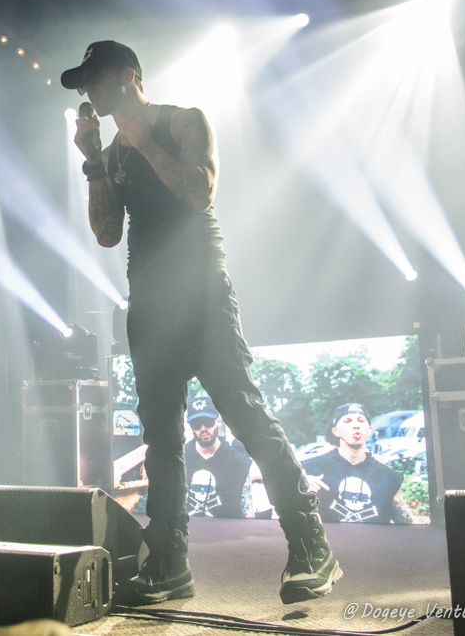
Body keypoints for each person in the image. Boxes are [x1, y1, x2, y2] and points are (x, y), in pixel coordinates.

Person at [62, 41, 340, 605]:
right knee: (160, 437)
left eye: (96, 76)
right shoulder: (113, 152)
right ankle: (168, 564)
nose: (88, 88)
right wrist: (93, 158)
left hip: (203, 292)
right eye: (83, 81)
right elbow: (107, 232)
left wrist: (141, 142)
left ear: (130, 76)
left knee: (245, 414)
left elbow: (197, 191)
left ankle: (313, 548)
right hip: (149, 302)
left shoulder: (183, 121)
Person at [303, 403, 416, 524]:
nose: (356, 425)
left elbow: (409, 525)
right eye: (347, 421)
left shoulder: (387, 476)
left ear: (369, 429)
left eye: (361, 421)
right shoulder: (310, 470)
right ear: (336, 431)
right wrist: (300, 488)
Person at [184, 396, 253, 518]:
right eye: (196, 424)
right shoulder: (180, 460)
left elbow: (247, 511)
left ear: (218, 421)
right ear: (191, 427)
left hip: (227, 534)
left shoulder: (238, 463)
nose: (203, 429)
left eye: (208, 422)